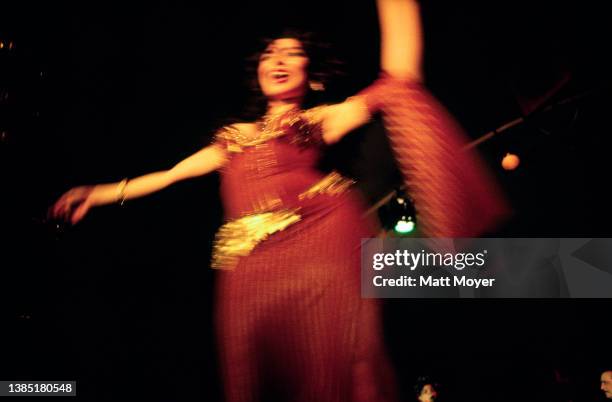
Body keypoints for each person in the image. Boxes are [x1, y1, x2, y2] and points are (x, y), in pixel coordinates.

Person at [51, 0, 506, 401]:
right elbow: (170, 176)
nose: (280, 59)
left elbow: (398, 78)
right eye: (271, 53)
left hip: (323, 250)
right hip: (247, 270)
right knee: (251, 375)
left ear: (313, 76)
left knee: (345, 366)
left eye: (293, 53)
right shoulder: (232, 138)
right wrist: (101, 193)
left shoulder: (318, 121)